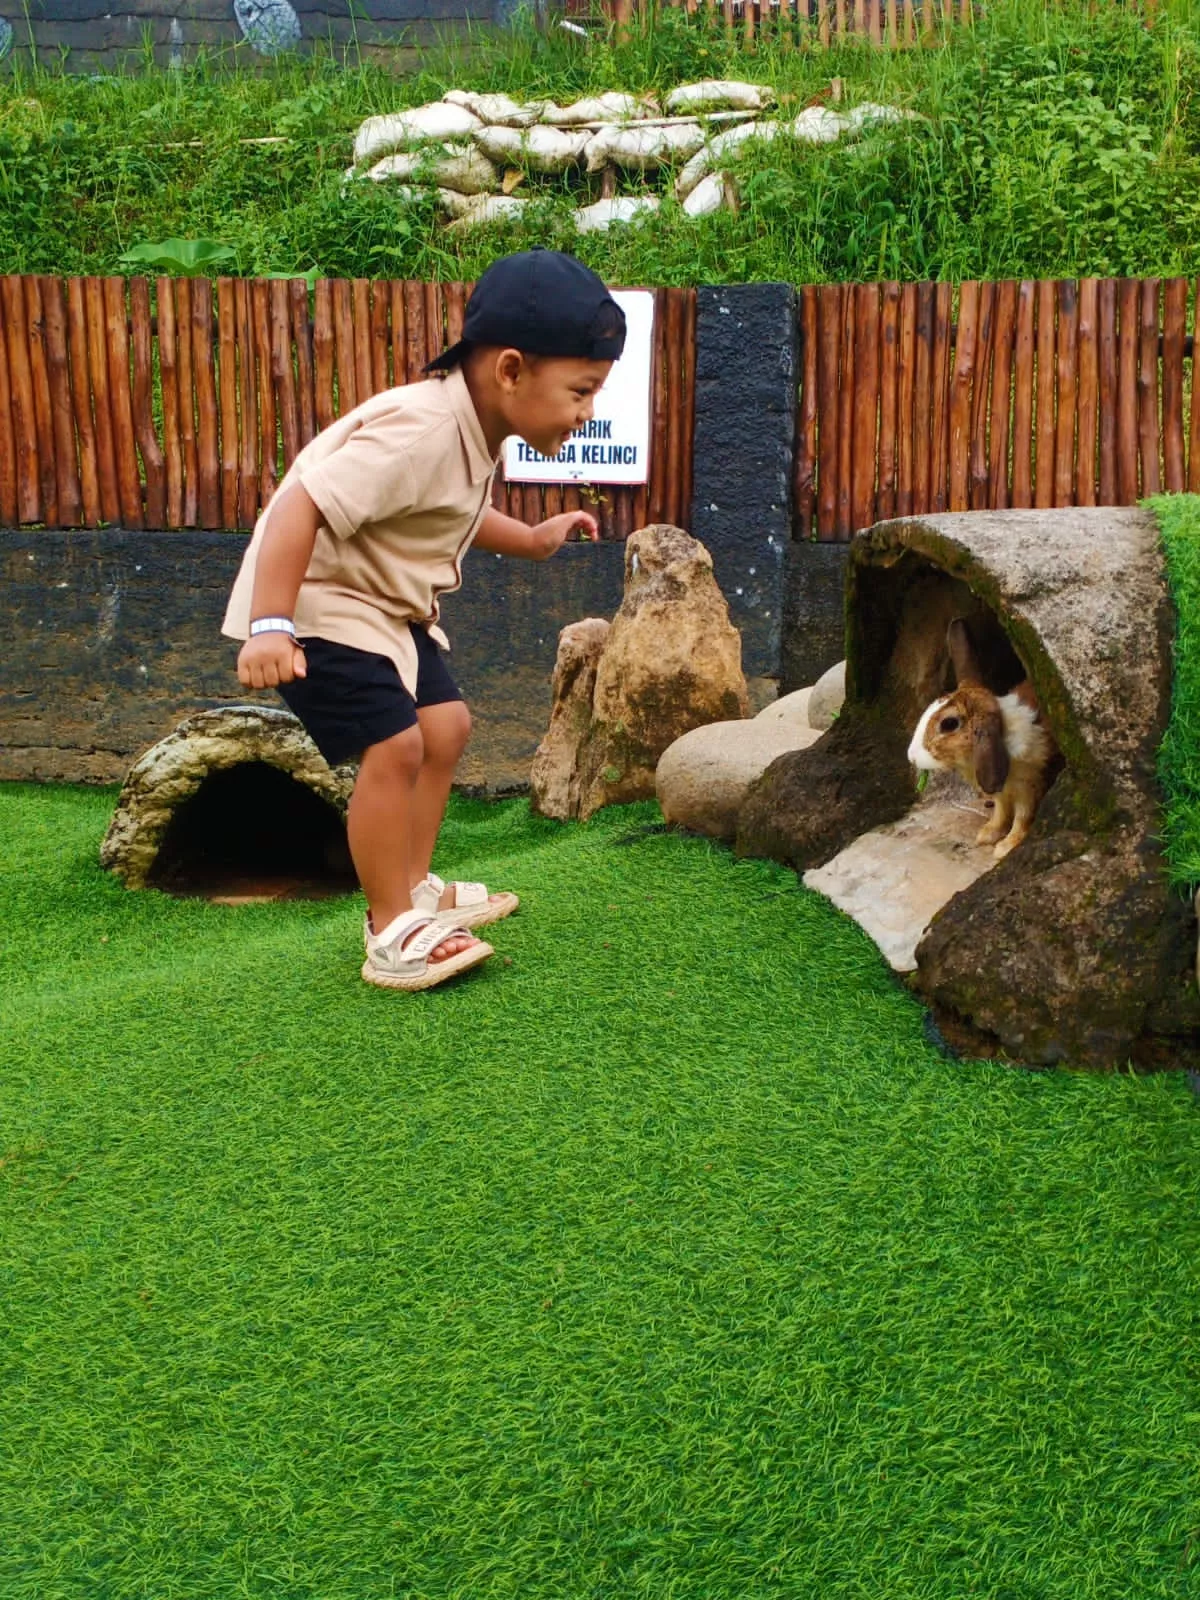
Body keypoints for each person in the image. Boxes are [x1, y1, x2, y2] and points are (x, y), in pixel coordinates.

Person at [222, 249, 625, 991]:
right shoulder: (424, 428)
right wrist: (270, 622)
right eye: (581, 391)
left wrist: (531, 539)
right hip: (318, 601)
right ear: (511, 370)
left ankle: (412, 889)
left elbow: (451, 511)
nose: (587, 412)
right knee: (396, 743)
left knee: (446, 728)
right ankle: (389, 929)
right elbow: (299, 504)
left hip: (381, 604)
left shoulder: (471, 430)